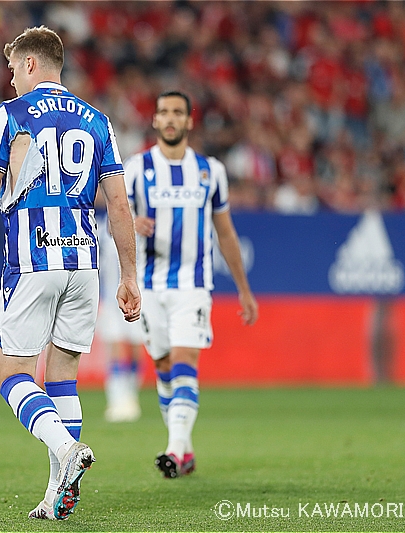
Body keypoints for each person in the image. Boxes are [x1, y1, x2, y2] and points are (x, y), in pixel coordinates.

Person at [0, 26, 141, 521]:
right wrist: (129, 275)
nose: (11, 78)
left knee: (12, 374)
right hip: (84, 262)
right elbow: (118, 204)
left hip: (32, 261)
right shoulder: (98, 121)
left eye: (14, 68)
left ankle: (66, 450)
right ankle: (58, 493)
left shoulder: (10, 116)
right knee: (63, 378)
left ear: (32, 64)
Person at [123, 90, 259, 478]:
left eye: (177, 113)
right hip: (148, 286)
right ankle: (184, 448)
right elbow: (115, 215)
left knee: (184, 361)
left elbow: (226, 234)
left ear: (189, 121)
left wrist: (244, 290)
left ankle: (174, 448)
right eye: (163, 112)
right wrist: (132, 224)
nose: (170, 118)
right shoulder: (136, 168)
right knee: (163, 365)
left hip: (192, 286)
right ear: (155, 120)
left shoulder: (209, 171)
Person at [97, 218, 145, 423]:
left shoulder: (142, 233)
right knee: (114, 347)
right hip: (111, 300)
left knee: (135, 348)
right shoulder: (104, 230)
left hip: (139, 298)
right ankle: (116, 400)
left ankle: (131, 398)